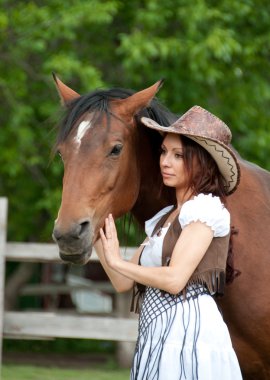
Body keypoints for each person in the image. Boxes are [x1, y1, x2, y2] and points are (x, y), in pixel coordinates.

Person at [96, 105, 243, 379]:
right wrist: (96, 236)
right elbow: (122, 282)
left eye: (178, 155)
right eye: (164, 152)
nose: (165, 161)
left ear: (202, 161)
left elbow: (175, 279)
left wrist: (118, 261)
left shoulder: (205, 210)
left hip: (190, 334)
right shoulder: (164, 218)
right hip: (157, 331)